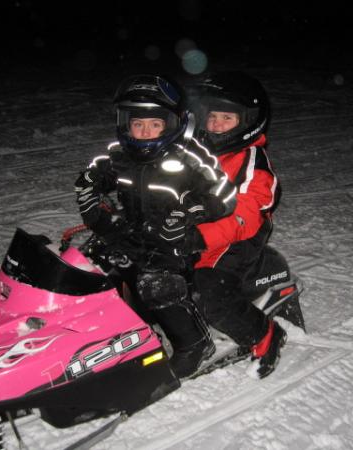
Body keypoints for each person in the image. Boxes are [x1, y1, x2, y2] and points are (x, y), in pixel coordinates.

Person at [74, 74, 238, 378]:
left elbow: (224, 193)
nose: (145, 132)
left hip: (177, 238)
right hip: (133, 230)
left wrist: (193, 210)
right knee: (88, 262)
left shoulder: (188, 156)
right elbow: (96, 173)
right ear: (125, 124)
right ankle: (99, 331)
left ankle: (195, 343)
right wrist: (88, 187)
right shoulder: (119, 155)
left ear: (171, 124)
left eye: (154, 124)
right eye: (138, 124)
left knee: (155, 281)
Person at [188, 71, 287, 378]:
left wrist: (197, 238)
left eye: (226, 118)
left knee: (209, 294)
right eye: (212, 117)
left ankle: (264, 335)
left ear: (247, 121)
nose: (216, 125)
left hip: (238, 238)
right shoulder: (200, 152)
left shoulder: (253, 164)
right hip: (198, 229)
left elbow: (243, 218)